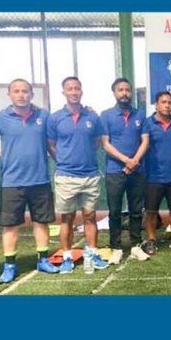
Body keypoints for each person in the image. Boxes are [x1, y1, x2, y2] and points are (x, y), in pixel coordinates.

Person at [0, 79, 59, 283]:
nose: (21, 95)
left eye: (25, 91)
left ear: (31, 94)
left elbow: (56, 138)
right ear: (9, 94)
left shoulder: (43, 116)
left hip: (40, 180)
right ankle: (9, 265)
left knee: (41, 222)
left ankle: (43, 259)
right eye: (17, 91)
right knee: (10, 226)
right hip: (11, 182)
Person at [47, 76, 109, 273]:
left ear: (81, 91)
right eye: (70, 89)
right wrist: (64, 161)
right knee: (67, 218)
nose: (74, 92)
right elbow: (51, 144)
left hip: (90, 175)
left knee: (90, 216)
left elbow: (97, 141)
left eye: (77, 88)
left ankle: (92, 253)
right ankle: (67, 257)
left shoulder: (92, 117)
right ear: (64, 92)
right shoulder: (55, 118)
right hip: (66, 176)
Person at [100, 78, 150, 264]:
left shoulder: (140, 115)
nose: (124, 93)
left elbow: (145, 141)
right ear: (114, 93)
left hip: (137, 170)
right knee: (115, 211)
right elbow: (105, 144)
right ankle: (116, 247)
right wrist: (126, 160)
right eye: (120, 90)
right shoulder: (106, 115)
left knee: (136, 210)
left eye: (127, 90)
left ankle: (136, 245)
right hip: (115, 170)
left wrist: (134, 161)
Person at [141, 91, 171, 254]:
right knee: (151, 211)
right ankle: (151, 239)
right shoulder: (147, 123)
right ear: (156, 105)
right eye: (163, 102)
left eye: (170, 103)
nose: (167, 105)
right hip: (153, 176)